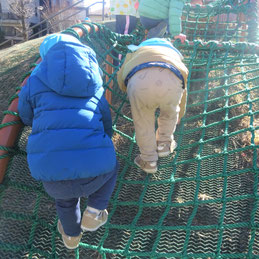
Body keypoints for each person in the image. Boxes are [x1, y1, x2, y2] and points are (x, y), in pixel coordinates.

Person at [18, 33, 118, 249]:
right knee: (111, 165)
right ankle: (94, 211)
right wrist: (102, 139)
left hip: (51, 172)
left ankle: (71, 236)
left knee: (64, 199)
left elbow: (25, 114)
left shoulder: (35, 79)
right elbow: (106, 120)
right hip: (95, 169)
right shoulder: (94, 78)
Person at [117, 38, 188, 174]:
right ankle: (164, 145)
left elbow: (121, 76)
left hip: (139, 83)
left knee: (143, 122)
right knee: (170, 113)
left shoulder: (135, 53)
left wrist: (127, 90)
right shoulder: (174, 56)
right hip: (172, 80)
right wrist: (181, 112)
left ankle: (148, 161)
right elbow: (184, 89)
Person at [109, 0, 139, 65]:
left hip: (125, 9)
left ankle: (119, 66)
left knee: (122, 39)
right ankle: (119, 68)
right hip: (127, 9)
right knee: (124, 40)